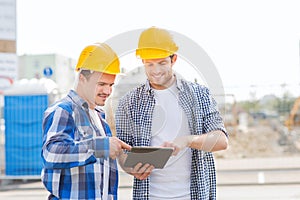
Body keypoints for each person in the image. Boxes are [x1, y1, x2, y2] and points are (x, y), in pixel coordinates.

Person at [115, 26, 228, 200]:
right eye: (149, 64)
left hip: (194, 195)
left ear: (173, 59)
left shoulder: (200, 95)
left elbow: (221, 141)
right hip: (150, 195)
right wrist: (129, 167)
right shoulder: (128, 103)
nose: (156, 71)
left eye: (162, 63)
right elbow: (123, 152)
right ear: (142, 62)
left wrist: (187, 140)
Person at [41, 43, 131, 200]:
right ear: (82, 78)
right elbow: (51, 153)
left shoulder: (100, 119)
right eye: (101, 84)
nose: (108, 91)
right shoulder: (64, 110)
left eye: (111, 85)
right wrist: (100, 147)